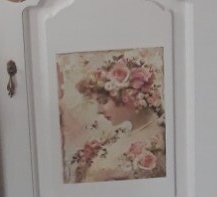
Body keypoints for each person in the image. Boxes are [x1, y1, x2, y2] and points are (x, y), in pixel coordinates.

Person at [67, 53, 166, 183]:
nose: (99, 111)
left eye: (103, 101)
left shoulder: (156, 141)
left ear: (129, 95)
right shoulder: (126, 133)